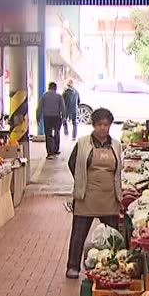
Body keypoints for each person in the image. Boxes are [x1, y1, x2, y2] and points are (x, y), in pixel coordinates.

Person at [66, 108, 123, 280]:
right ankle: (73, 266)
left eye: (106, 125)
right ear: (93, 125)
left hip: (109, 197)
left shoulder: (116, 145)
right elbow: (72, 163)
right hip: (86, 197)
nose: (103, 128)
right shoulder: (83, 143)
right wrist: (82, 181)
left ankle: (114, 267)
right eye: (99, 125)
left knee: (113, 237)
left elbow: (118, 169)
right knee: (78, 234)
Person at [38, 82, 66, 157]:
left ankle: (50, 152)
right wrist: (63, 117)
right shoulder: (59, 96)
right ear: (55, 88)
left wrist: (38, 118)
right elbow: (62, 107)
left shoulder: (44, 96)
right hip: (56, 117)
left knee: (48, 134)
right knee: (57, 132)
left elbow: (39, 107)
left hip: (47, 117)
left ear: (49, 88)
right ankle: (56, 149)